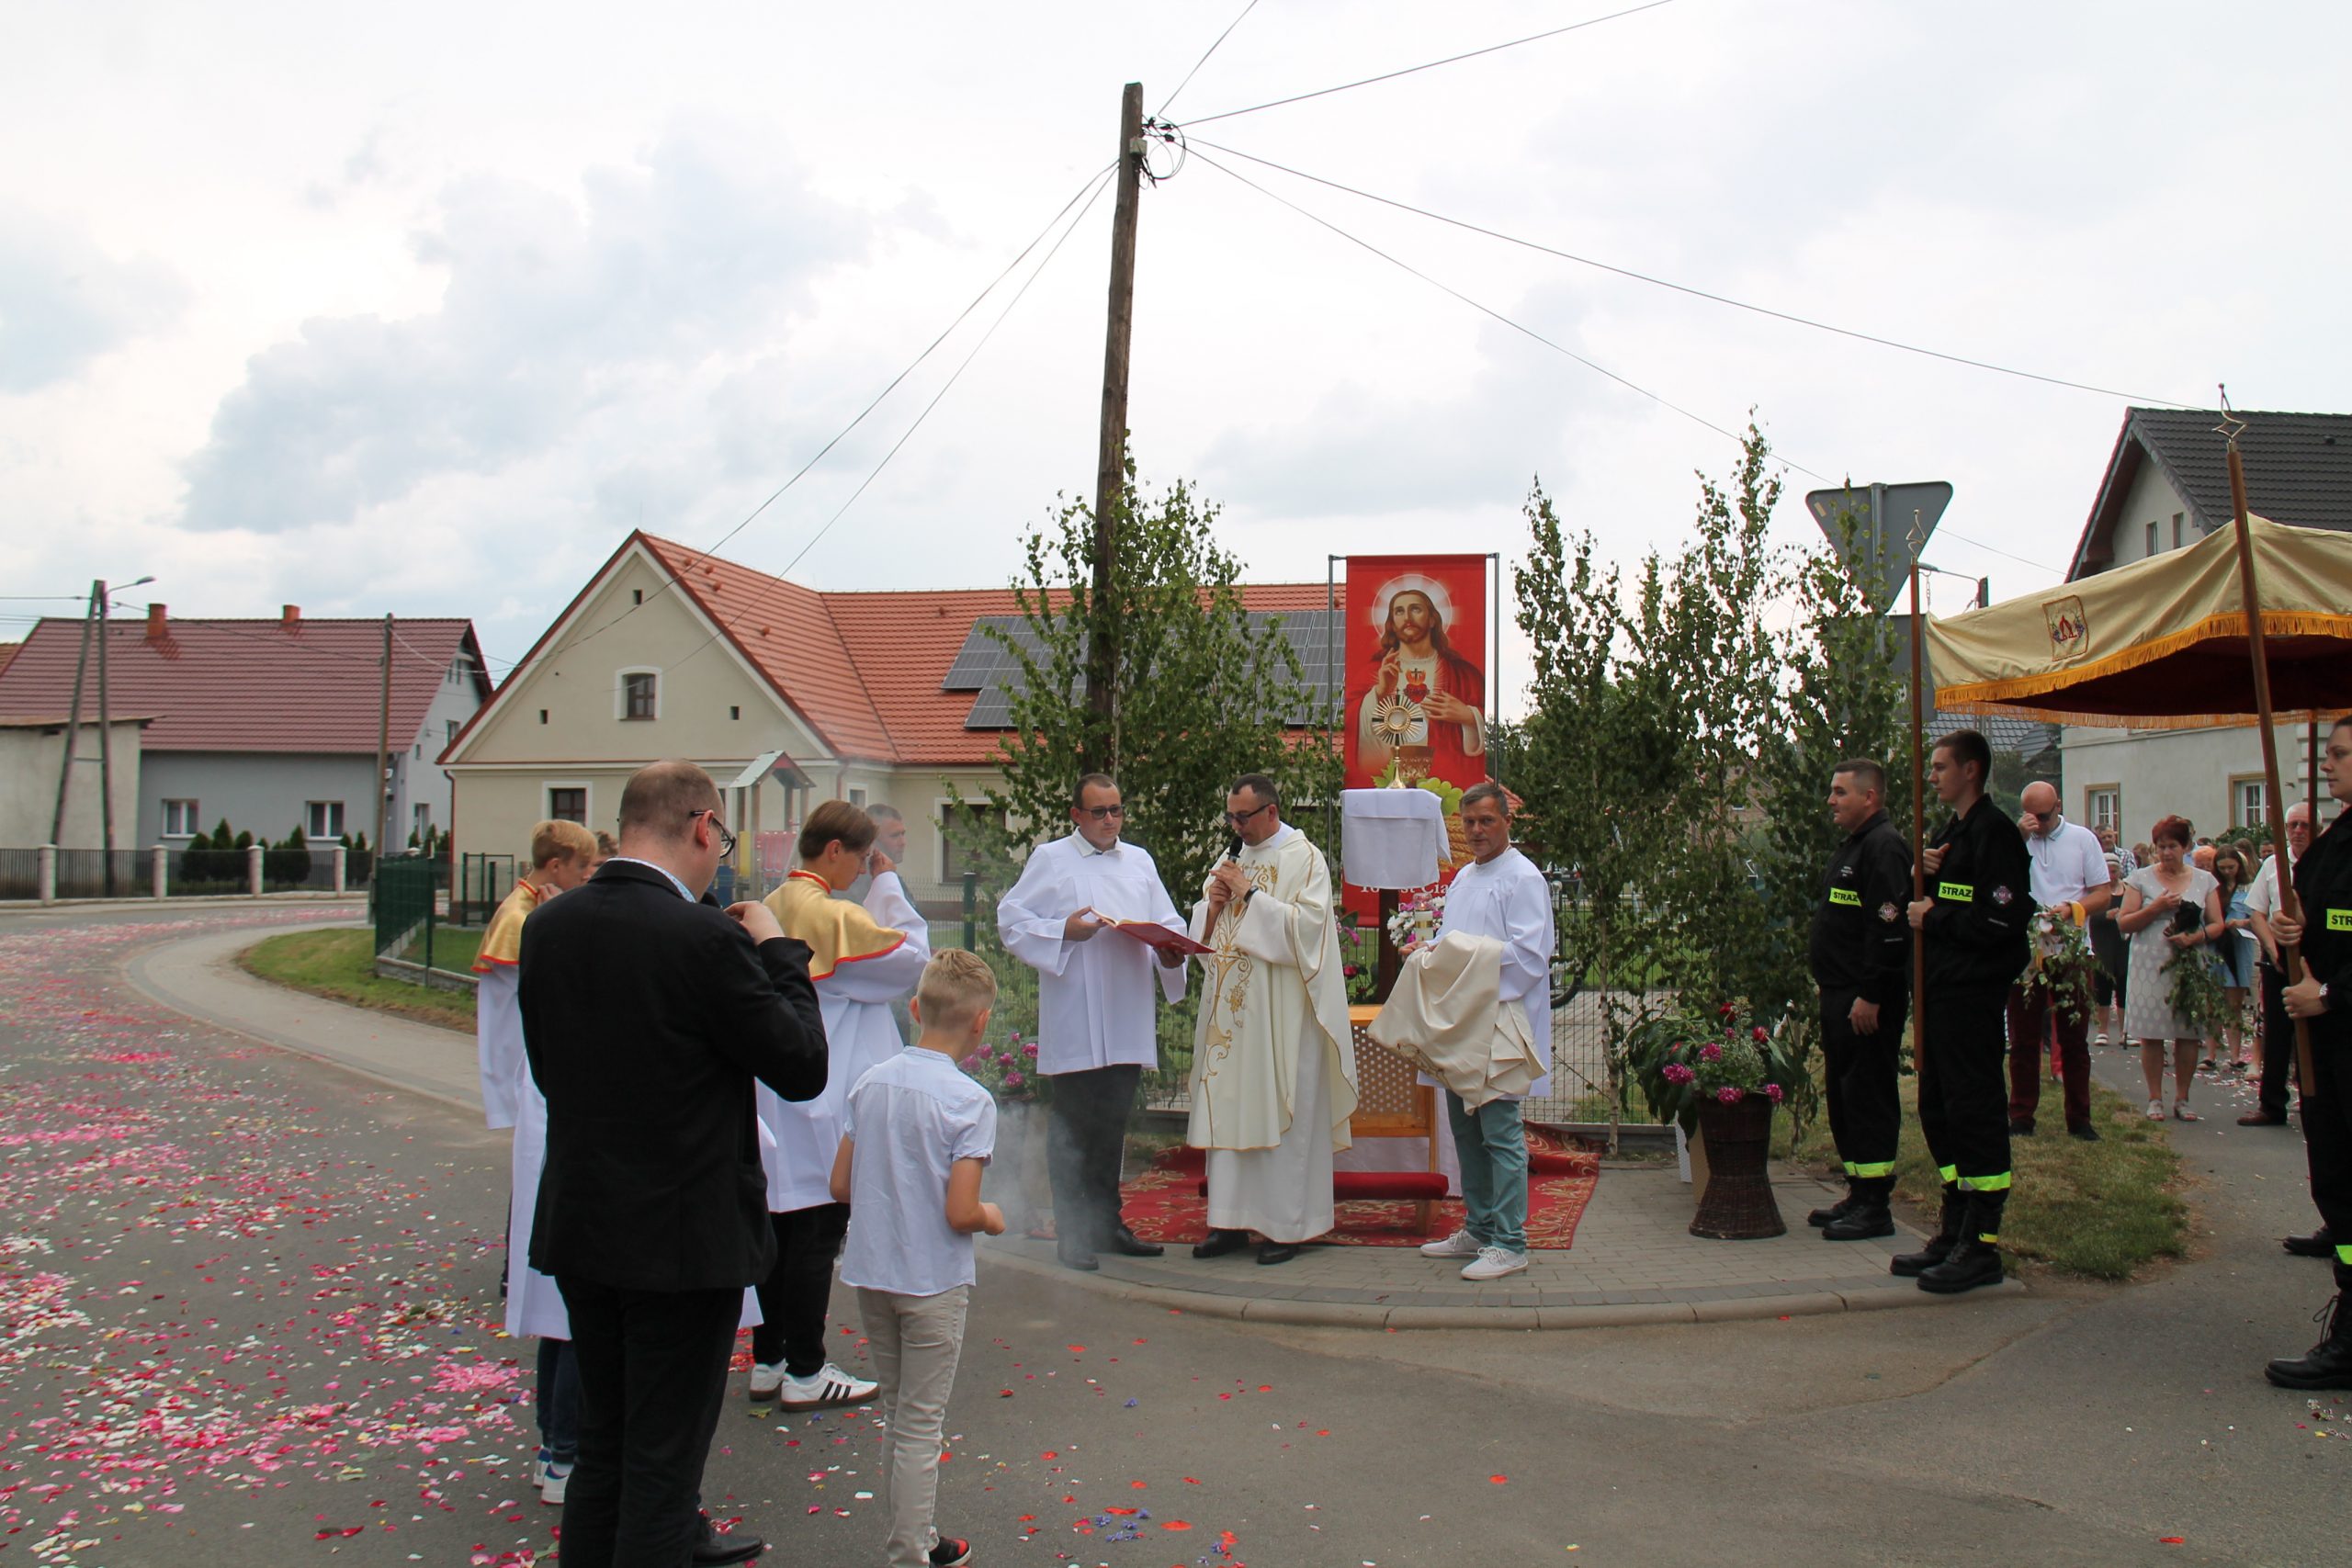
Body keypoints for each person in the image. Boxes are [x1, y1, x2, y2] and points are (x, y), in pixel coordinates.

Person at [518, 760, 827, 1568]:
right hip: (683, 1239)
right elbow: (801, 1064)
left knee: (606, 1447)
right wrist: (780, 950)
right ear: (701, 827)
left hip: (585, 1221)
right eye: (719, 839)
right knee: (661, 1466)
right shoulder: (703, 937)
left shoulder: (548, 926)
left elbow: (549, 1070)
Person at [751, 800, 931, 1411]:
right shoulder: (830, 913)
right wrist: (889, 885)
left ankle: (770, 1359)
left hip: (776, 1089)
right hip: (826, 1095)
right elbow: (911, 961)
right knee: (816, 1230)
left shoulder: (772, 904)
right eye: (860, 856)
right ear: (834, 850)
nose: (861, 869)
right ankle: (806, 1368)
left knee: (778, 1224)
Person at [828, 949, 1004, 1568]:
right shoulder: (970, 1101)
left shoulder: (869, 1082)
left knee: (898, 1412)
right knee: (921, 1422)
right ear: (981, 1023)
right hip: (932, 1279)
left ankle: (919, 1536)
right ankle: (909, 1552)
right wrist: (991, 1215)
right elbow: (961, 1211)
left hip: (873, 1272)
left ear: (914, 1008)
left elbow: (841, 1184)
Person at [995, 773, 1188, 1271]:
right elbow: (1011, 920)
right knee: (1074, 1128)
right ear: (1076, 815)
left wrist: (1170, 952)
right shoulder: (1051, 859)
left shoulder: (1139, 861)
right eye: (1099, 811)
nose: (1110, 820)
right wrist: (1063, 930)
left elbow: (1169, 923)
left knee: (1111, 1126)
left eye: (1116, 810)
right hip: (1076, 1014)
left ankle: (1107, 1223)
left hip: (1125, 1013)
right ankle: (1072, 1230)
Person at [472, 819, 597, 1506]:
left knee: (558, 1307)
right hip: (555, 1104)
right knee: (570, 1310)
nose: (588, 881)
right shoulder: (534, 923)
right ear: (556, 865)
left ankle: (556, 1444)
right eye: (584, 869)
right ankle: (564, 1450)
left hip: (544, 1100)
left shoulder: (532, 915)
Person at [1186, 773, 1359, 1266]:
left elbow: (1308, 934)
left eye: (1243, 817)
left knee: (1285, 1115)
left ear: (1271, 812)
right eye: (1230, 817)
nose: (1236, 827)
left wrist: (1251, 896)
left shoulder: (1305, 859)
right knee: (1230, 1109)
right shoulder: (1233, 858)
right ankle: (1228, 1222)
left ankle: (1287, 1226)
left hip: (1283, 1016)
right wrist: (1211, 908)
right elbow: (1206, 940)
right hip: (1231, 1020)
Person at [1400, 781, 1555, 1280]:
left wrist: (1452, 957)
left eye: (1486, 821)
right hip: (1461, 1021)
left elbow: (1529, 957)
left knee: (1500, 1135)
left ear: (1507, 820)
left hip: (1499, 1023)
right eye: (1469, 822)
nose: (1476, 831)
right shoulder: (1465, 877)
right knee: (1465, 1131)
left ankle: (1510, 1242)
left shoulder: (1524, 878)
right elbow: (1453, 941)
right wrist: (1428, 952)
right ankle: (1480, 1227)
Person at [1900, 729, 2032, 1295]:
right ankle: (1955, 1221)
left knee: (1974, 1110)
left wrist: (1934, 916)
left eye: (1940, 767)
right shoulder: (1952, 834)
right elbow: (1936, 901)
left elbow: (1999, 920)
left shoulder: (1994, 834)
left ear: (1971, 770)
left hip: (1971, 996)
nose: (1932, 776)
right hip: (1939, 994)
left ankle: (1982, 1242)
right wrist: (1923, 875)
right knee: (1939, 1108)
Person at [2266, 716, 2352, 1389]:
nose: (2327, 765)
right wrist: (2296, 927)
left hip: (2343, 1028)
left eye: (2341, 755)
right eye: (2327, 753)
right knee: (2339, 1187)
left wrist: (2330, 993)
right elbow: (2328, 919)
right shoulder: (2334, 840)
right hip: (2327, 1044)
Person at [1805, 760, 1913, 1240]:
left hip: (1864, 999)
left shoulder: (1884, 848)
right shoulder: (1854, 846)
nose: (1831, 800)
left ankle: (1875, 1205)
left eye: (1840, 792)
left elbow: (1888, 930)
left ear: (1869, 797)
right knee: (1845, 1095)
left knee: (1867, 1096)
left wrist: (1871, 994)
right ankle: (1857, 1189)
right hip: (1840, 993)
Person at [2008, 781, 2113, 1142]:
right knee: (2023, 1038)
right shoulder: (2017, 840)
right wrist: (2018, 839)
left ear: (2058, 807)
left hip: (2071, 950)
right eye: (2029, 815)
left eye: (2042, 815)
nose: (2036, 822)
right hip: (2027, 951)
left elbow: (2103, 893)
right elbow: (1998, 881)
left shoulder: (2083, 839)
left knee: (2073, 1038)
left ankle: (2079, 1118)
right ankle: (2021, 1116)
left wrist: (2073, 909)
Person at [2116, 816, 2224, 1122]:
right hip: (2149, 961)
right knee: (2152, 1033)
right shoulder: (2139, 878)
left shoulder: (2204, 880)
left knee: (2188, 1032)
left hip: (2188, 960)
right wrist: (2156, 908)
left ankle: (2182, 1098)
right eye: (2161, 847)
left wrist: (2195, 937)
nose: (2166, 853)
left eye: (2172, 846)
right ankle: (2154, 1098)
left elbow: (2218, 923)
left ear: (2186, 847)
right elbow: (2124, 922)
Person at [1355, 584, 1485, 777]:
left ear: (1432, 619)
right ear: (1392, 623)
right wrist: (1379, 693)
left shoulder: (1463, 674)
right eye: (1399, 611)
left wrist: (1469, 716)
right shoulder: (1371, 672)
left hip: (1443, 780)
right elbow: (1352, 725)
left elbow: (1486, 718)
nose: (1407, 618)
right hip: (1389, 781)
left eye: (1415, 609)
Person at [2245, 803, 2314, 1134]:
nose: (2298, 832)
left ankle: (2315, 1099)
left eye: (2305, 825)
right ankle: (2272, 1103)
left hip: (2314, 955)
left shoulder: (2324, 863)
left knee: (2316, 1032)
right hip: (2279, 954)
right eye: (2292, 825)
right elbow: (2257, 911)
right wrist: (2272, 949)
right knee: (2276, 1032)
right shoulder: (2274, 864)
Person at [2213, 845, 2255, 1074]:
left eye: (2231, 867)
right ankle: (2211, 1054)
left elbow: (2258, 917)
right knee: (2212, 1002)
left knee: (2234, 1004)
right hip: (2215, 947)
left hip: (2239, 946)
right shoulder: (2213, 887)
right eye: (2223, 868)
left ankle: (2235, 1055)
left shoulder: (2249, 887)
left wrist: (2241, 922)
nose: (2227, 872)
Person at [2089, 853, 2131, 1048]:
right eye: (2108, 872)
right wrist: (2106, 915)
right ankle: (2102, 1031)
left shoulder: (2128, 890)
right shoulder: (2097, 893)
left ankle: (2125, 1031)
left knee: (2124, 987)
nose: (2112, 876)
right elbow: (2089, 916)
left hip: (2123, 943)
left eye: (2114, 871)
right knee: (2103, 988)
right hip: (2102, 944)